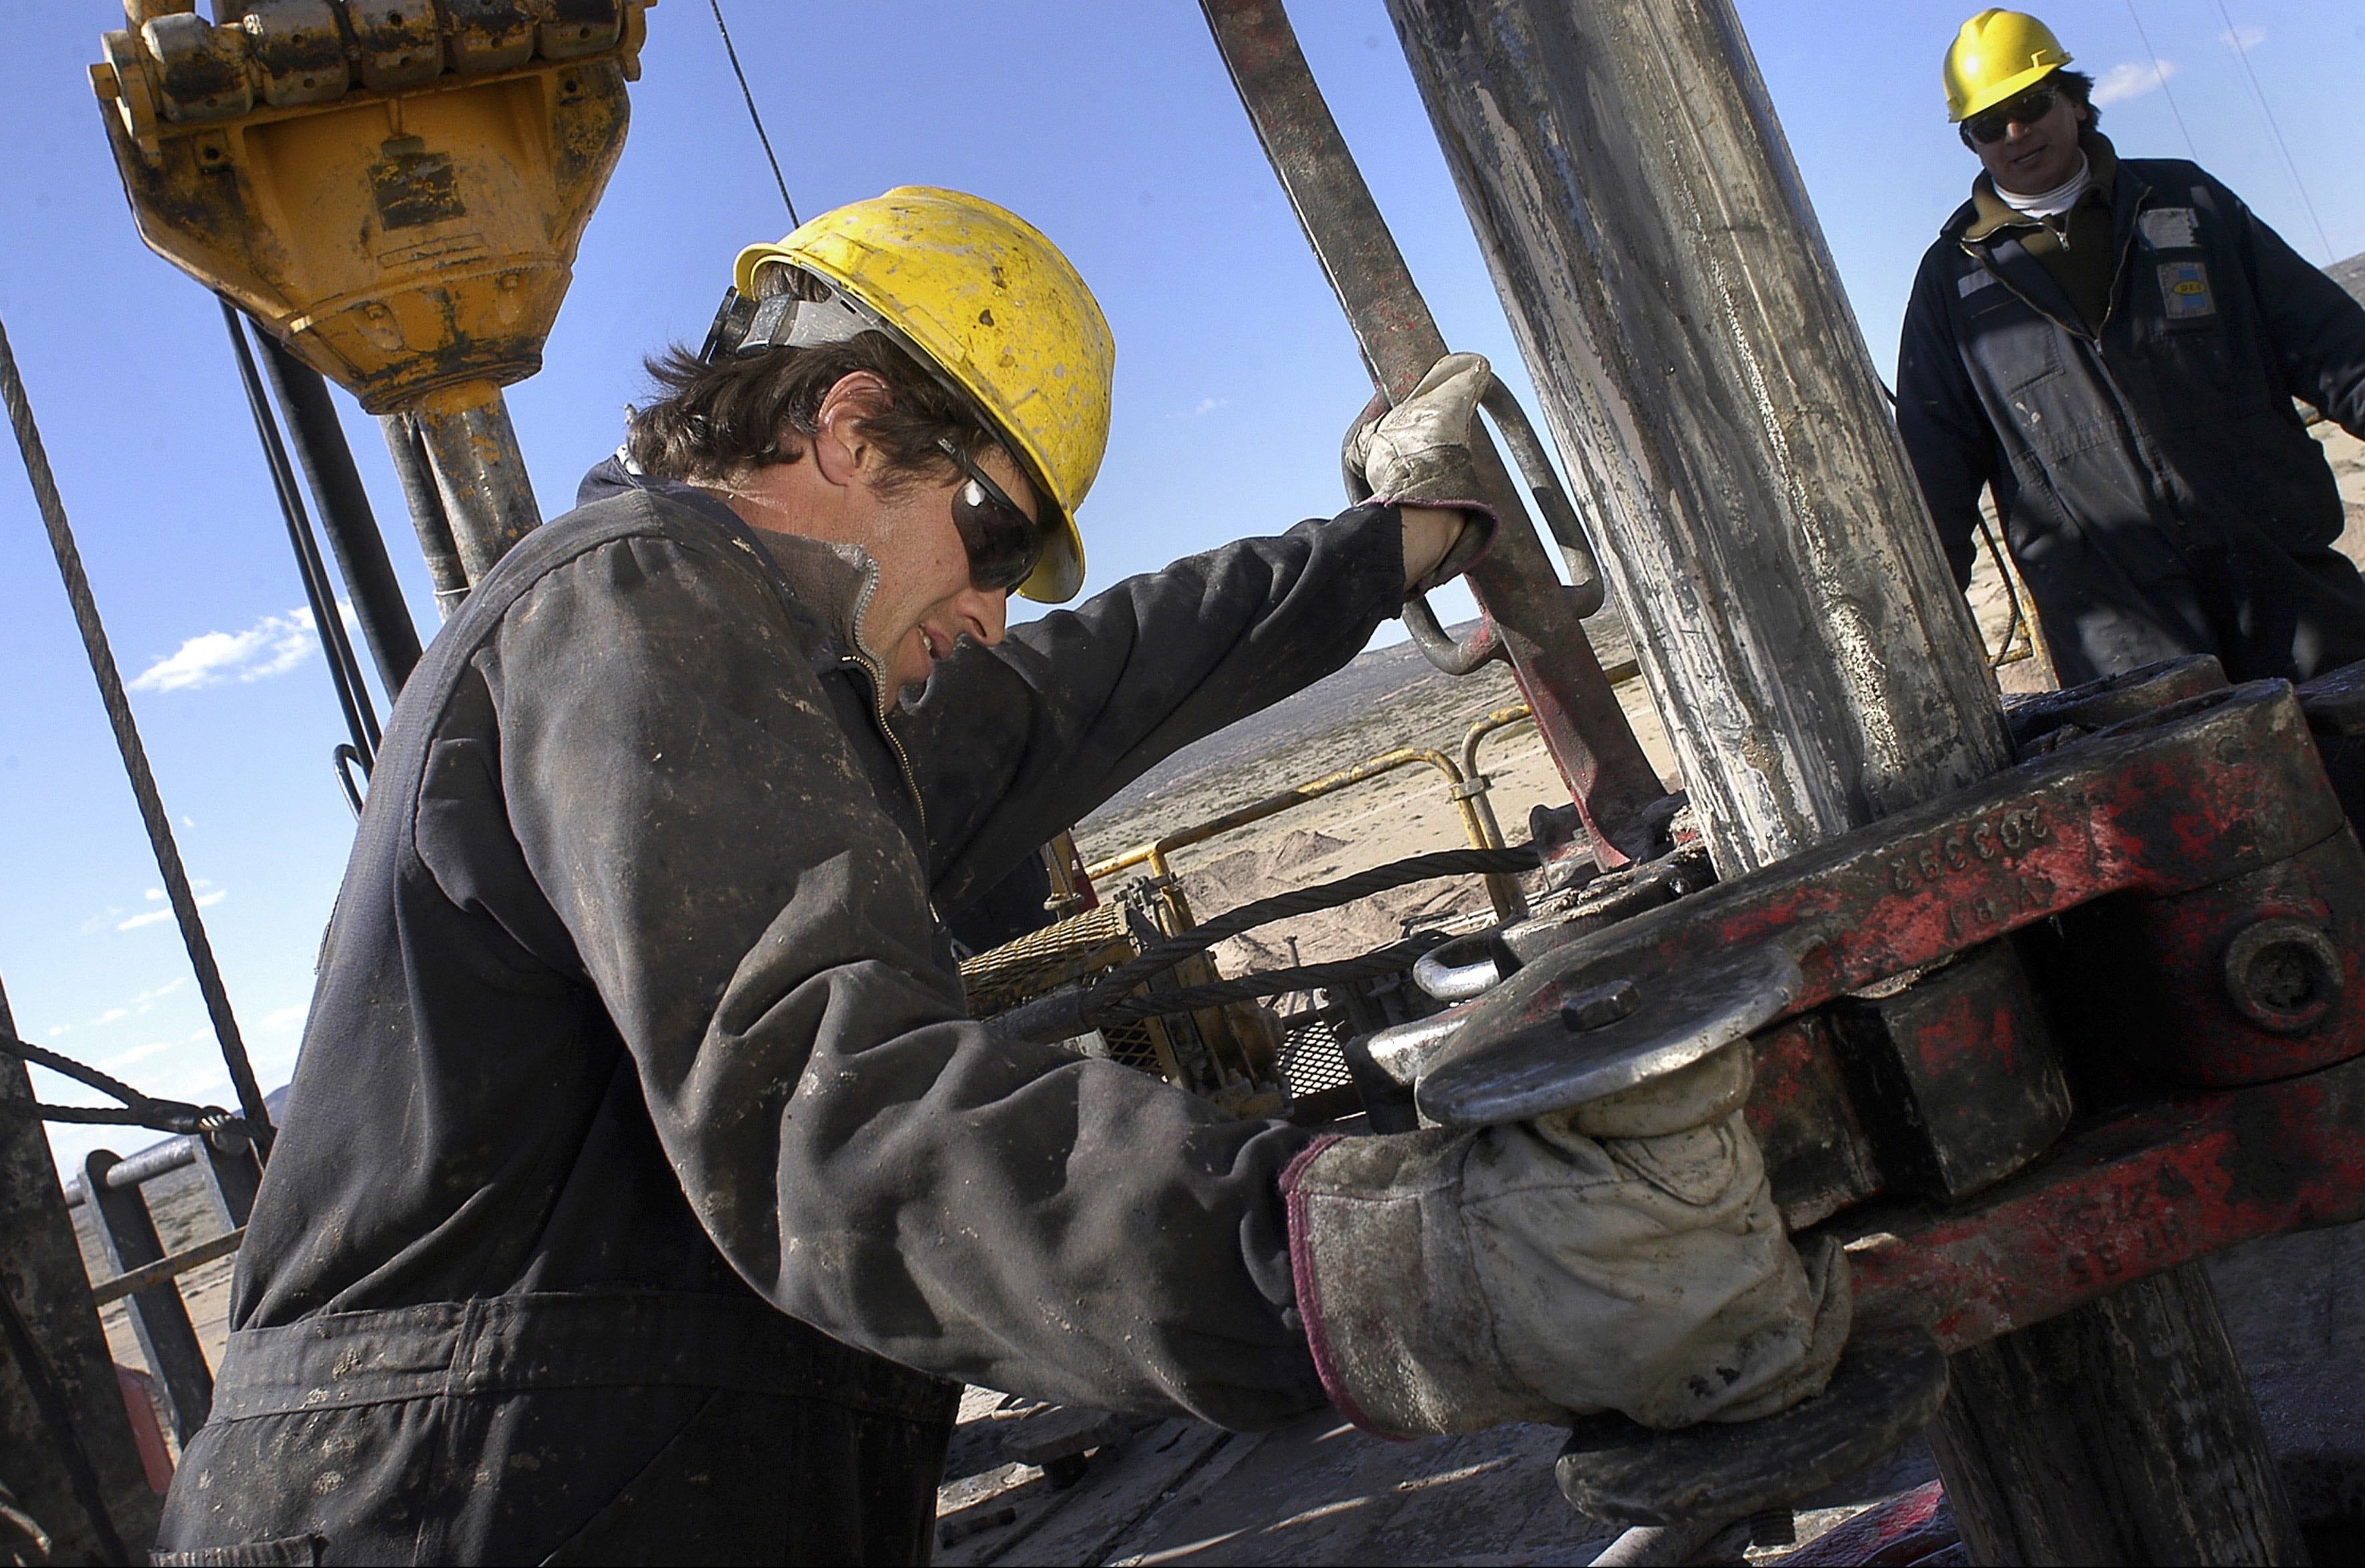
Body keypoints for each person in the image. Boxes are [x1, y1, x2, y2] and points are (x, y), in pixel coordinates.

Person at [152, 188, 1845, 1565]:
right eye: (1001, 535)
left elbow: (1096, 676)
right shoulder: (642, 606)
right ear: (853, 423)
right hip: (444, 1512)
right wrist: (1386, 1268)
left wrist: (1411, 535)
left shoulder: (766, 681)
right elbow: (833, 1117)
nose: (999, 603)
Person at [1897, 9, 2365, 688]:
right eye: (1988, 126)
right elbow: (1932, 471)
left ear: (2077, 100)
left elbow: (2332, 346)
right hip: (2124, 645)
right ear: (1971, 144)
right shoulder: (1953, 284)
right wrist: (1924, 637)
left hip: (2287, 588)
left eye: (2030, 106)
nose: (2015, 134)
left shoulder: (2189, 203)